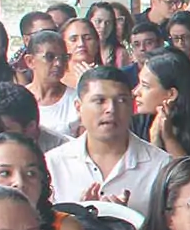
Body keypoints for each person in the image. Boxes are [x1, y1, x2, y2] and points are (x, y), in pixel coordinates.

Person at [44, 68, 170, 207]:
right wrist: (79, 219)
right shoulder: (53, 164)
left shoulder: (161, 166)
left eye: (121, 100)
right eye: (99, 101)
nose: (111, 109)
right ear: (78, 107)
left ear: (131, 106)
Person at [134, 48, 190, 157]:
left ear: (171, 94)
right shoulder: (135, 125)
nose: (136, 92)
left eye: (145, 86)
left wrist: (168, 139)